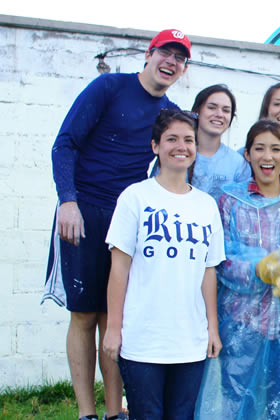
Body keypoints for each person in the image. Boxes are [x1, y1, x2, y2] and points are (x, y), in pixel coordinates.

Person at [43, 29, 191, 420]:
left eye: (180, 58)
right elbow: (65, 144)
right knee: (85, 314)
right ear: (149, 53)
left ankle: (114, 413)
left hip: (128, 217)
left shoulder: (169, 113)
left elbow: (177, 163)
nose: (171, 62)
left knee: (114, 316)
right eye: (166, 53)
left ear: (183, 68)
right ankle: (86, 413)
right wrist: (67, 201)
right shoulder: (109, 87)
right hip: (84, 211)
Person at [194, 120, 280, 419]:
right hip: (241, 326)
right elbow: (219, 259)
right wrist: (260, 270)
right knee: (237, 403)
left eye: (275, 149)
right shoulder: (229, 202)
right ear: (247, 154)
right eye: (259, 148)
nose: (267, 157)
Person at [102, 109, 224, 419]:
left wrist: (212, 328)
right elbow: (119, 269)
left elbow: (208, 272)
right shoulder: (135, 198)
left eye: (188, 140)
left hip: (190, 339)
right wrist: (114, 328)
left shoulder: (206, 205)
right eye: (172, 139)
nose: (181, 146)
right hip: (143, 338)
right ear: (156, 146)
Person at [151, 84, 250, 196]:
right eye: (212, 107)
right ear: (197, 111)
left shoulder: (238, 163)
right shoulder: (176, 153)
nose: (219, 114)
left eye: (226, 110)